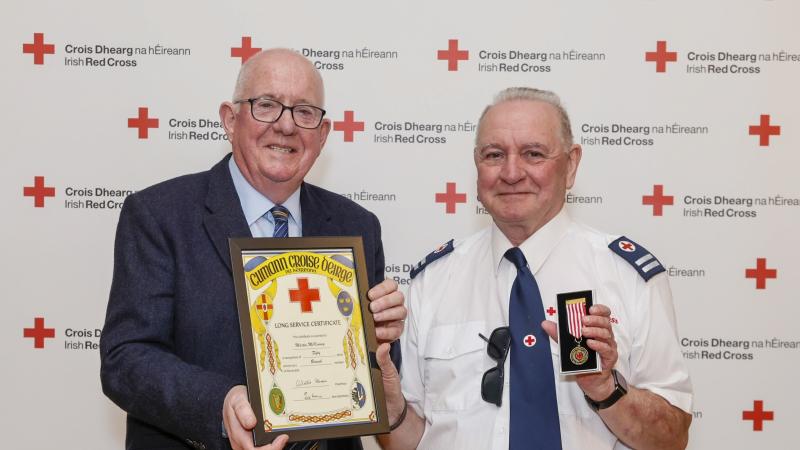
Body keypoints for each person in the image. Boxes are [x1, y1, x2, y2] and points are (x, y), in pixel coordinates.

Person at [100, 49, 406, 450]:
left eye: (305, 112)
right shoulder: (159, 215)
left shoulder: (356, 226)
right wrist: (220, 403)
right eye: (266, 106)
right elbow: (126, 360)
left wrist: (380, 338)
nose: (286, 126)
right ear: (230, 118)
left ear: (323, 134)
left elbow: (370, 380)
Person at [375, 87, 693, 450]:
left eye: (534, 154)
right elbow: (409, 442)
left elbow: (670, 439)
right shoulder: (432, 280)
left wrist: (606, 388)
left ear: (571, 164)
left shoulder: (628, 276)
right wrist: (389, 403)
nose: (512, 173)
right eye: (495, 155)